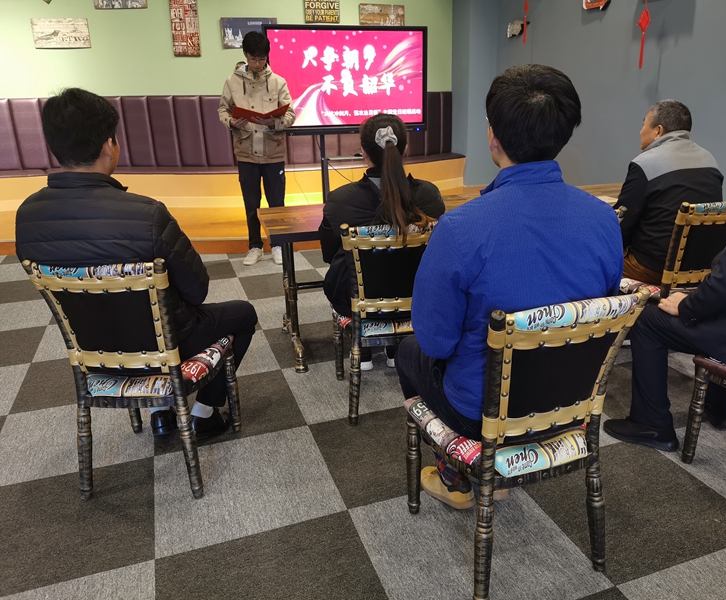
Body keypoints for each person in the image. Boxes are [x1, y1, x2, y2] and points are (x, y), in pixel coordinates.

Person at [395, 65, 623, 509]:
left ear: (493, 136)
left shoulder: (460, 228)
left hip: (481, 415)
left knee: (409, 351)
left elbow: (436, 342)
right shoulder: (604, 219)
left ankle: (456, 478)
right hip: (571, 403)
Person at [15, 88, 258, 439]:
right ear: (108, 145)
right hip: (168, 347)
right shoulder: (147, 214)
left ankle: (160, 414)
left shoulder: (27, 216)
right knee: (244, 314)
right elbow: (197, 290)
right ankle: (203, 413)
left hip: (93, 352)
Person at [604, 85, 726, 451]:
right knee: (714, 304)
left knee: (649, 319)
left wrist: (686, 305)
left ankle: (652, 425)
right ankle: (719, 409)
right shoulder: (715, 163)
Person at [318, 113, 444, 370]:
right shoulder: (429, 196)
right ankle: (398, 348)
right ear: (405, 149)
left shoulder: (340, 200)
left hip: (356, 299)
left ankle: (363, 347)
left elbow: (328, 254)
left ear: (363, 152)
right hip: (417, 297)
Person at [614, 100, 723, 284]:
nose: (640, 131)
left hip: (652, 268)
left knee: (594, 262)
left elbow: (622, 224)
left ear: (658, 130)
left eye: (643, 124)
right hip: (699, 269)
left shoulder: (645, 163)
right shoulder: (710, 160)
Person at [219, 31, 295, 267]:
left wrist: (275, 121)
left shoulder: (278, 82)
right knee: (251, 203)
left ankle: (278, 245)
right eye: (254, 59)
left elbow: (291, 114)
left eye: (262, 59)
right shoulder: (232, 82)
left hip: (273, 151)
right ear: (245, 55)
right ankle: (255, 247)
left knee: (276, 203)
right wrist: (231, 121)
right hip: (246, 151)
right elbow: (223, 110)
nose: (258, 64)